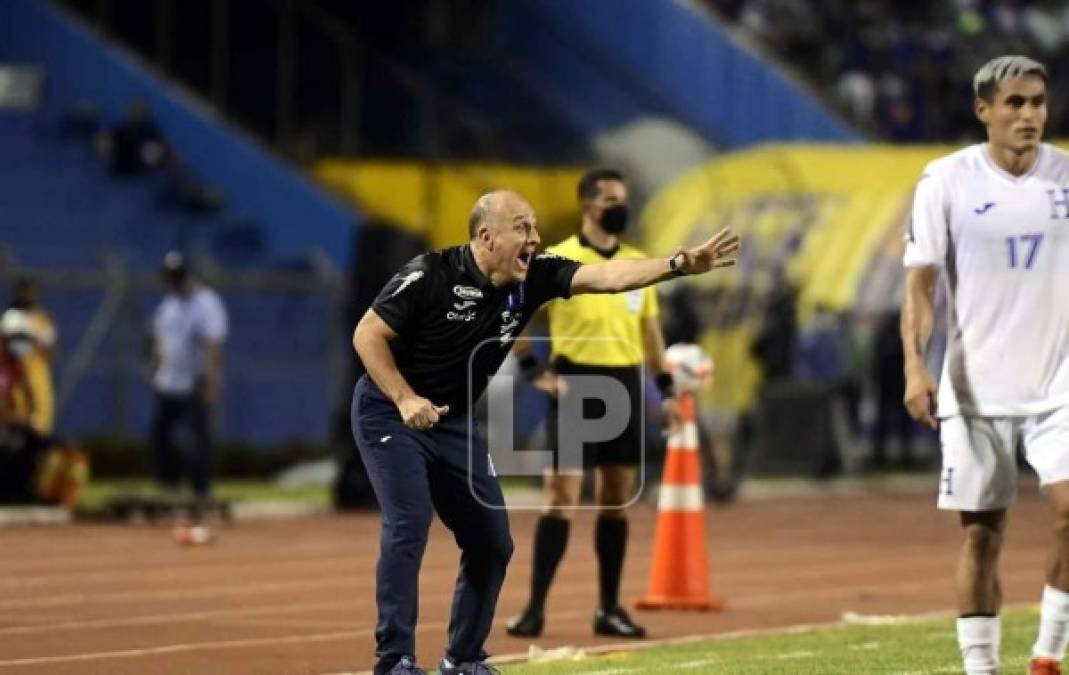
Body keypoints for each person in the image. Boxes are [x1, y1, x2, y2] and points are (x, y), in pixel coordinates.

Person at [352, 190, 739, 675]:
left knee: (491, 542)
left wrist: (679, 263)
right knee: (409, 525)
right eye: (522, 227)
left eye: (534, 227)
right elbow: (367, 334)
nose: (534, 238)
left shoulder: (533, 276)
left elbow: (607, 277)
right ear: (486, 236)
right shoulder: (430, 274)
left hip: (452, 421)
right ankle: (395, 661)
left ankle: (463, 659)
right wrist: (405, 399)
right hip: (390, 412)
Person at [901, 55, 1069, 675]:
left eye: (1038, 103)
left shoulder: (1067, 178)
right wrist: (915, 369)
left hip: (1059, 386)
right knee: (981, 536)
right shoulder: (945, 180)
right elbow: (919, 286)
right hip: (976, 389)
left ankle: (1048, 653)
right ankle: (981, 668)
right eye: (1015, 104)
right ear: (984, 111)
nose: (1029, 115)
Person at [504, 169, 682, 640]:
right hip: (576, 382)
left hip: (623, 384)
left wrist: (666, 391)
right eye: (609, 199)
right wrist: (532, 371)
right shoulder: (558, 258)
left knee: (616, 501)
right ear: (588, 206)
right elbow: (513, 316)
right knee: (559, 497)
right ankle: (534, 609)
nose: (619, 206)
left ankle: (608, 609)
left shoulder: (640, 263)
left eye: (622, 198)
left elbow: (651, 335)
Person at [148, 251, 228, 519]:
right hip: (168, 380)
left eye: (178, 277)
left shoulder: (206, 303)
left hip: (195, 381)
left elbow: (213, 344)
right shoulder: (168, 305)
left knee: (198, 439)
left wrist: (211, 381)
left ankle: (200, 490)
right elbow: (158, 338)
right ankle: (167, 485)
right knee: (162, 434)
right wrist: (154, 367)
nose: (175, 283)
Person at [5, 277, 57, 437]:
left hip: (38, 371)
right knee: (17, 409)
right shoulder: (12, 316)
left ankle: (39, 438)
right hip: (17, 373)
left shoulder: (41, 318)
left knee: (42, 409)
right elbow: (12, 345)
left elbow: (50, 346)